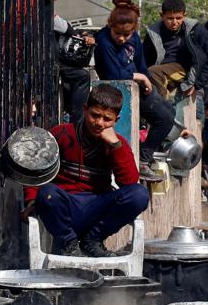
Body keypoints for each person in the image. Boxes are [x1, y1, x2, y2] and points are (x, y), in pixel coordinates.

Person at [21, 84, 151, 258]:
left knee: (140, 195)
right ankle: (69, 244)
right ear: (85, 110)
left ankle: (93, 240)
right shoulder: (62, 133)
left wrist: (114, 145)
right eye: (95, 115)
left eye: (107, 119)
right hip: (65, 205)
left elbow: (128, 183)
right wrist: (31, 200)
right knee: (47, 193)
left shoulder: (118, 143)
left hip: (98, 206)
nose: (99, 123)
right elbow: (37, 168)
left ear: (116, 120)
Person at [93, 0, 175, 182]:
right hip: (116, 91)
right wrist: (139, 77)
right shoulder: (103, 41)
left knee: (167, 114)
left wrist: (145, 78)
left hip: (137, 87)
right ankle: (143, 161)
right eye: (118, 34)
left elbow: (142, 66)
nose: (122, 39)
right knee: (163, 118)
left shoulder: (135, 39)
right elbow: (112, 74)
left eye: (126, 35)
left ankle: (146, 155)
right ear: (110, 26)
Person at [40, 0, 94, 125]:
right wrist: (79, 34)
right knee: (81, 76)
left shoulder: (44, 4)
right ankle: (76, 124)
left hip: (48, 63)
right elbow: (65, 27)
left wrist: (83, 35)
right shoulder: (37, 4)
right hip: (39, 64)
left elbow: (65, 28)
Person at [143, 0, 208, 107]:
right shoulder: (153, 33)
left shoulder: (195, 30)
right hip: (162, 74)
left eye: (178, 18)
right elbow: (145, 59)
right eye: (170, 18)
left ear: (184, 15)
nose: (174, 22)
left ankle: (163, 107)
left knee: (153, 72)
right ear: (161, 16)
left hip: (188, 72)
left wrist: (197, 84)